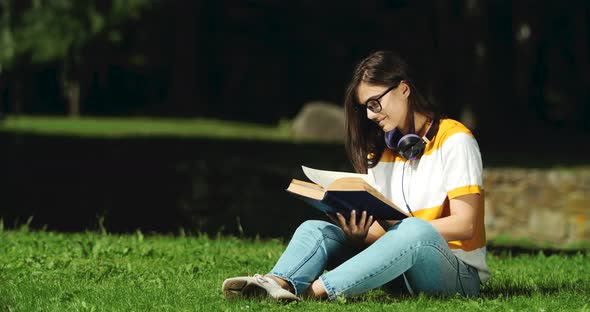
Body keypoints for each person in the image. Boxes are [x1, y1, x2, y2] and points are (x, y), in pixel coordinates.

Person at [222, 50, 490, 301]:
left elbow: (465, 225)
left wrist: (403, 230)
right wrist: (359, 234)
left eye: (375, 103)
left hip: (458, 275)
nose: (371, 114)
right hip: (401, 267)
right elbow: (388, 232)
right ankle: (276, 284)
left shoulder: (456, 141)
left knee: (413, 228)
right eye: (365, 107)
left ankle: (314, 293)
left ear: (404, 89)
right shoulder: (381, 151)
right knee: (314, 229)